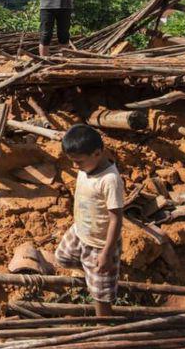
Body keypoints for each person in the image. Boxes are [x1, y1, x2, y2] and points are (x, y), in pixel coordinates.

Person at [53, 124, 124, 316]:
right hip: (79, 232)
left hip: (100, 244)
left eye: (79, 162)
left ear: (97, 153)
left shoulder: (109, 180)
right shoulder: (87, 166)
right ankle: (89, 273)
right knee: (62, 257)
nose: (75, 166)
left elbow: (116, 218)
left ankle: (104, 327)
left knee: (102, 296)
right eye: (73, 161)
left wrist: (107, 253)